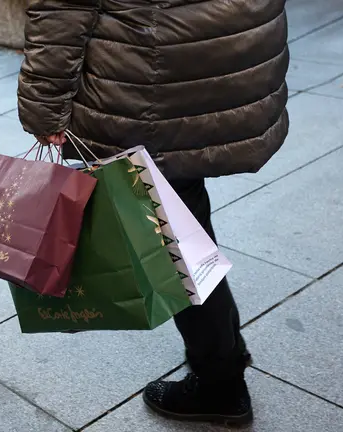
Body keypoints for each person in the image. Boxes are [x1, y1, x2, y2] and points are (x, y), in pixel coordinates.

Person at [17, 0, 289, 426]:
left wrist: (44, 106)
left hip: (146, 71)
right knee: (180, 207)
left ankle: (219, 380)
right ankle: (221, 359)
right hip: (222, 47)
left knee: (168, 231)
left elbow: (62, 6)